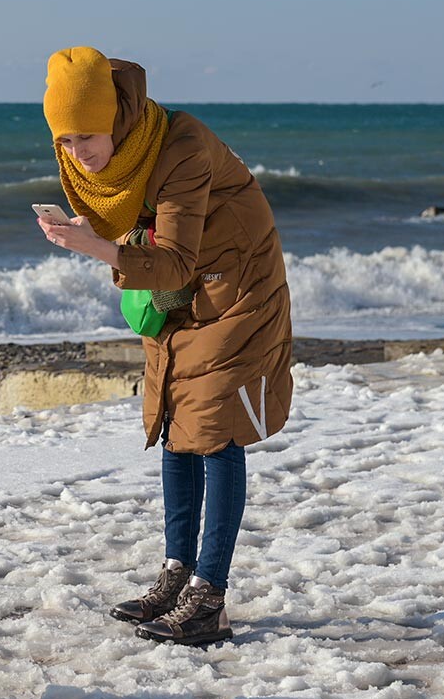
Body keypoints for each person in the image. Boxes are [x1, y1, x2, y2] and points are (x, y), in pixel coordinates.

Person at [36, 47, 293, 646]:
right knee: (174, 421)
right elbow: (151, 249)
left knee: (216, 429)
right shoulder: (95, 156)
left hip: (236, 284)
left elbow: (175, 259)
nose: (80, 153)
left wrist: (91, 247)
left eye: (89, 136)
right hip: (175, 290)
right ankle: (178, 576)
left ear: (116, 118)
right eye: (67, 140)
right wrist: (93, 233)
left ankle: (210, 596)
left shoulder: (179, 145)